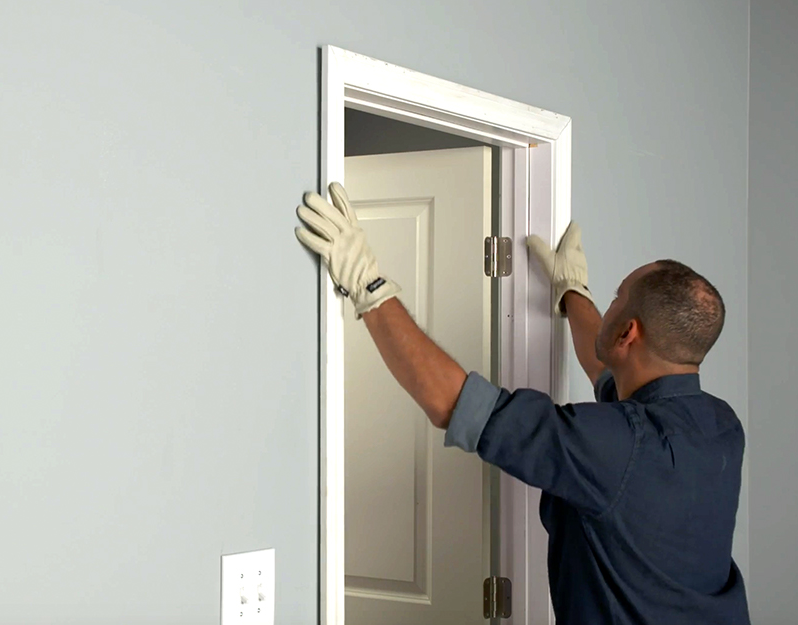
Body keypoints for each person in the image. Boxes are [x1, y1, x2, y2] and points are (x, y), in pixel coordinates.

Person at [295, 183, 750, 625]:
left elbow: (453, 404)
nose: (609, 304)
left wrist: (368, 283)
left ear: (629, 332)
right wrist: (573, 290)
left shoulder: (613, 445)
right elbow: (607, 369)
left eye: (617, 297)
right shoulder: (722, 427)